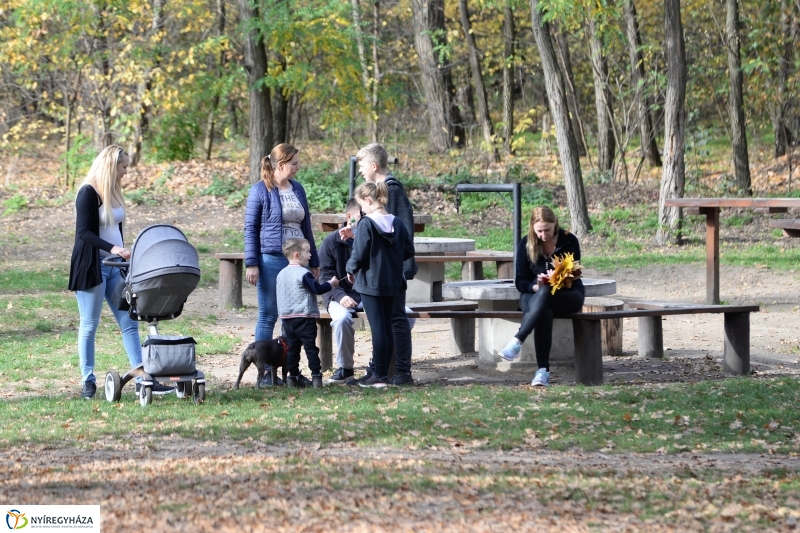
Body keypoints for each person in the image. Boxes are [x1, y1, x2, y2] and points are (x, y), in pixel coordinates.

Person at [68, 145, 173, 399]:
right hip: (93, 268)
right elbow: (84, 233)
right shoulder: (88, 192)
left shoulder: (113, 190)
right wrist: (114, 248)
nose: (126, 171)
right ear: (111, 165)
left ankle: (142, 377)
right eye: (123, 166)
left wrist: (123, 254)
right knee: (89, 325)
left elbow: (115, 228)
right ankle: (88, 382)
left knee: (129, 322)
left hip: (115, 269)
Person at [244, 143, 320, 387]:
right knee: (268, 314)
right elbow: (250, 229)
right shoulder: (260, 191)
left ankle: (291, 372)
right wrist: (252, 263)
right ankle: (265, 373)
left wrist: (314, 260)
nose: (298, 167)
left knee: (294, 317)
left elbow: (306, 227)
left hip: (299, 261)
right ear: (281, 164)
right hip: (272, 258)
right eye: (295, 163)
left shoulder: (297, 189)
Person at [320, 199, 417, 385]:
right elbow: (325, 276)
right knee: (342, 319)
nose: (366, 218)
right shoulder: (331, 242)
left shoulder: (373, 230)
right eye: (361, 216)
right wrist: (340, 296)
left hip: (370, 290)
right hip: (341, 295)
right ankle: (345, 368)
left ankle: (379, 366)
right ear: (350, 217)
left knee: (406, 316)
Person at [347, 143, 417, 386]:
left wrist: (403, 269)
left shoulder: (392, 191)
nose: (361, 171)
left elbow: (403, 232)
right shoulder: (382, 192)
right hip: (385, 272)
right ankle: (380, 370)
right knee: (386, 323)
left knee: (395, 320)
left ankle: (401, 372)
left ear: (374, 165)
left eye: (363, 165)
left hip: (390, 273)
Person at [498, 206, 585, 387]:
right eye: (539, 231)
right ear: (532, 228)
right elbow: (520, 281)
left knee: (548, 291)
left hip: (567, 295)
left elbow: (575, 273)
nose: (544, 235)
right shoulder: (526, 244)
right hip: (533, 295)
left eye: (547, 230)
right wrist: (535, 286)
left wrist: (557, 280)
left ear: (555, 224)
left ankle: (518, 340)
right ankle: (542, 372)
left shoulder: (569, 241)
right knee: (544, 307)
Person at [276, 238, 339, 388]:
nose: (310, 255)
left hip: (287, 319)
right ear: (297, 254)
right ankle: (316, 377)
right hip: (305, 317)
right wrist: (331, 284)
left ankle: (293, 377)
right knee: (310, 348)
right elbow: (317, 289)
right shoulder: (303, 273)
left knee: (292, 349)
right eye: (307, 252)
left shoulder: (281, 274)